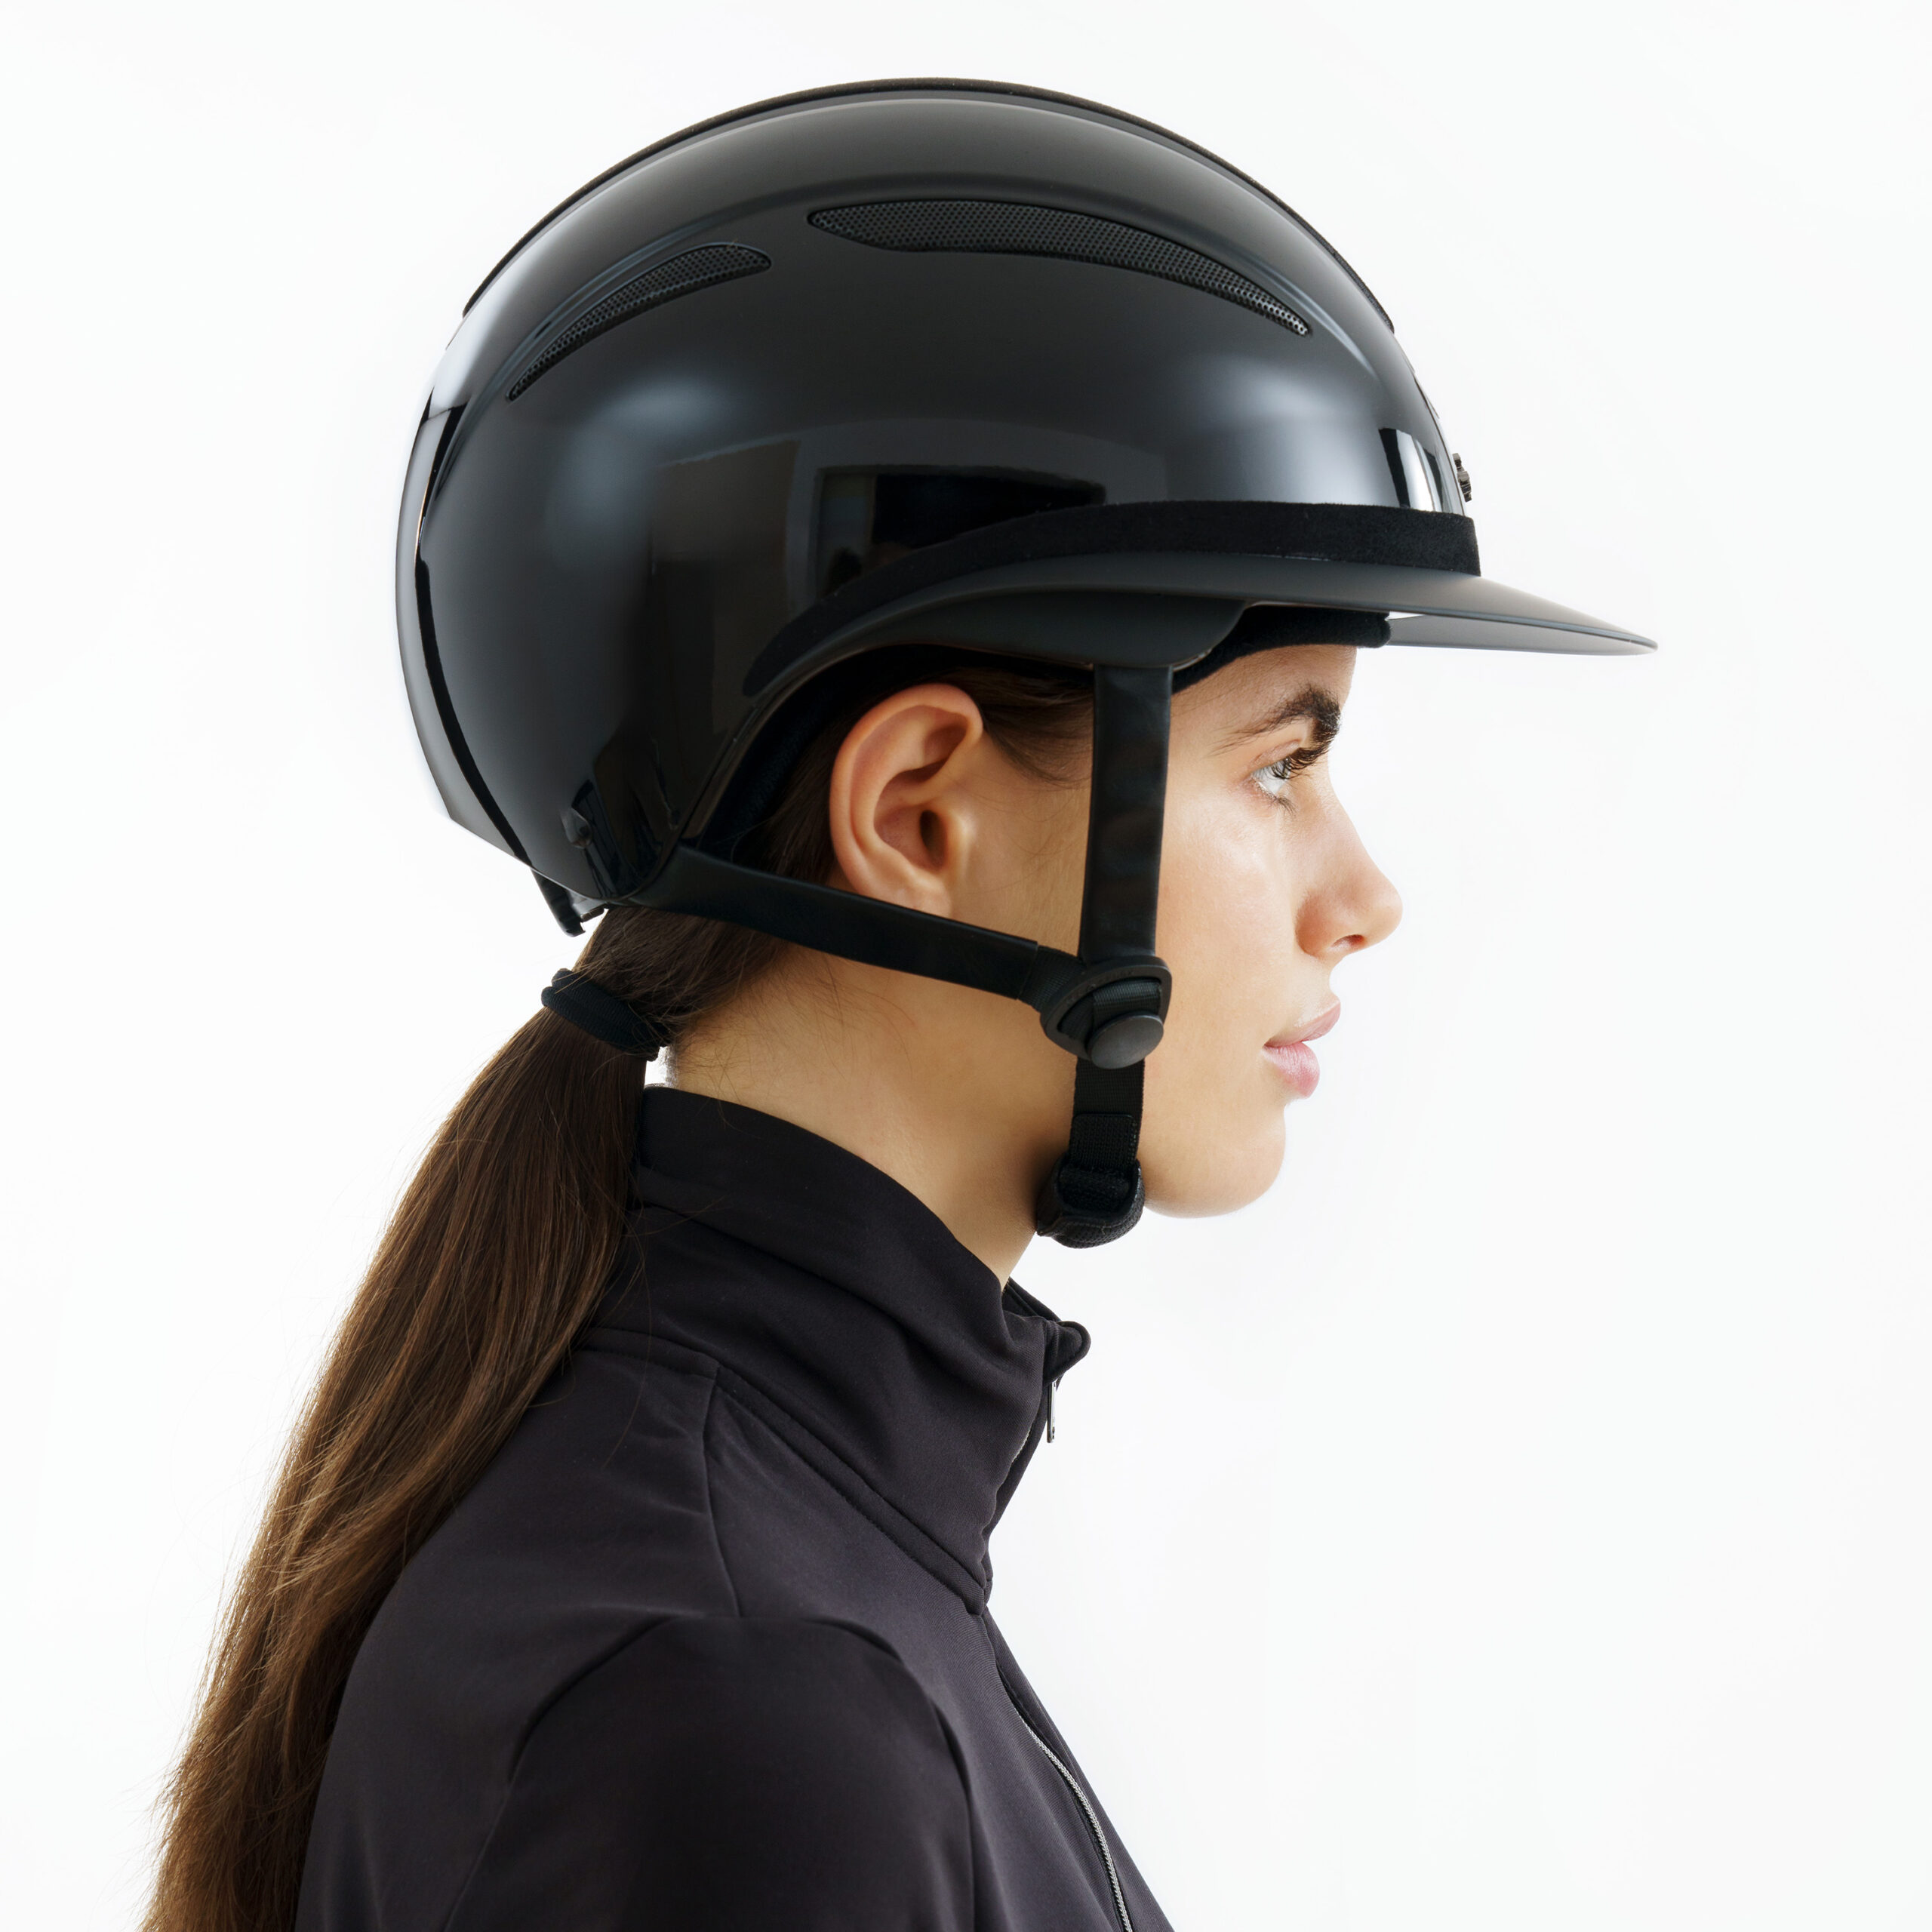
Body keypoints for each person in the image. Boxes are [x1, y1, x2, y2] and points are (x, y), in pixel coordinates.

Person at [146, 79, 1650, 1932]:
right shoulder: (744, 1693)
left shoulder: (772, 1577)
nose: (1363, 899)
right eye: (1279, 762)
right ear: (919, 812)